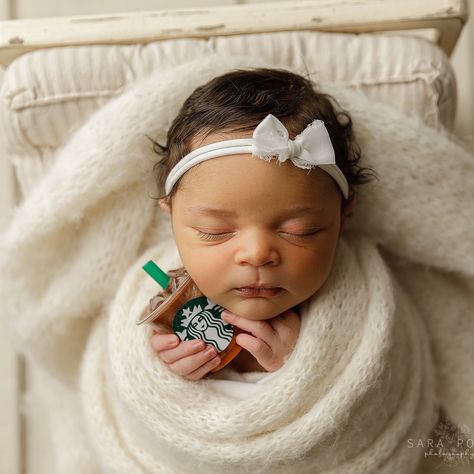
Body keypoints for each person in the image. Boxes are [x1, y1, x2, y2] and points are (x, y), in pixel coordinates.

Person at [149, 68, 372, 380]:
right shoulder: (164, 294)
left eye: (299, 230)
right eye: (215, 231)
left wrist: (305, 370)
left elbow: (377, 381)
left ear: (342, 218)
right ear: (171, 217)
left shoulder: (362, 306)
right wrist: (159, 364)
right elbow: (128, 374)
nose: (256, 254)